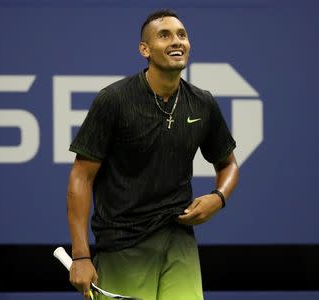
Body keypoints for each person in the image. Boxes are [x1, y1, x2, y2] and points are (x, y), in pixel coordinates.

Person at [66, 9, 239, 300]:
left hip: (179, 240)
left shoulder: (202, 103)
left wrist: (218, 197)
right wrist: (81, 256)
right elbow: (81, 177)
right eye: (165, 35)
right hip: (123, 243)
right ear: (144, 49)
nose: (177, 41)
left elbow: (228, 163)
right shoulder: (114, 100)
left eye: (182, 35)